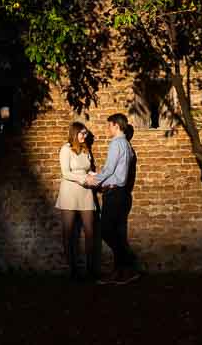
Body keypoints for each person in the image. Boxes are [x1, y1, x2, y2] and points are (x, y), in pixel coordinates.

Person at [85, 113, 139, 285]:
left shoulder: (116, 143)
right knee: (118, 234)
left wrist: (94, 180)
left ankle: (128, 264)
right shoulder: (128, 146)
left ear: (116, 125)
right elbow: (120, 174)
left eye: (109, 126)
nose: (107, 129)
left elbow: (109, 170)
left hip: (115, 195)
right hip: (122, 194)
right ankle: (121, 273)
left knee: (106, 231)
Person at [55, 121, 98, 280]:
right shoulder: (65, 149)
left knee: (90, 231)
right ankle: (72, 270)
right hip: (69, 192)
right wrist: (84, 178)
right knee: (68, 232)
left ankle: (90, 270)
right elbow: (65, 173)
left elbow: (87, 169)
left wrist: (95, 176)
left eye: (86, 134)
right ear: (74, 133)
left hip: (86, 192)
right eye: (82, 133)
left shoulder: (86, 149)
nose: (84, 136)